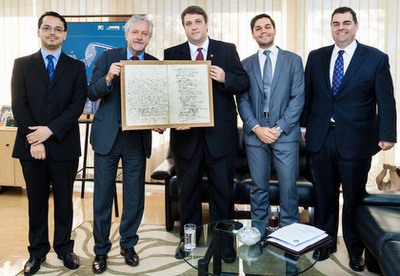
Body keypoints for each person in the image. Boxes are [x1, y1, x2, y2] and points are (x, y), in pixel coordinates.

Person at [300, 6, 396, 272]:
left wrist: (387, 134)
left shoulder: (375, 58)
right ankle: (325, 243)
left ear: (356, 25)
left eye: (346, 23)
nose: (340, 27)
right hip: (321, 137)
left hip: (357, 139)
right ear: (330, 27)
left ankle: (356, 251)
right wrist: (303, 127)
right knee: (324, 195)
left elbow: (386, 100)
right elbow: (309, 96)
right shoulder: (316, 57)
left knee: (353, 198)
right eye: (335, 23)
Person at [164, 5, 249, 260]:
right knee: (187, 193)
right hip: (185, 137)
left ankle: (224, 245)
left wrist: (225, 77)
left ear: (206, 24)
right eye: (188, 23)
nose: (194, 27)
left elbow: (243, 82)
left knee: (222, 194)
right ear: (184, 27)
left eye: (198, 22)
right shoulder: (173, 53)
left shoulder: (226, 49)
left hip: (220, 138)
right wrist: (170, 120)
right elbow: (166, 93)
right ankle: (189, 243)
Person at [11, 11, 87, 276]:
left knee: (64, 201)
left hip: (64, 145)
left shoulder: (77, 68)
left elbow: (76, 106)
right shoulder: (21, 64)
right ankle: (37, 252)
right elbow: (19, 106)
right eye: (47, 28)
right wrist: (35, 138)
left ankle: (65, 248)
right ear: (39, 31)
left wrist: (49, 131)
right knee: (36, 201)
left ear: (65, 34)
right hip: (30, 146)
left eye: (58, 29)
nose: (52, 32)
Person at [88, 15, 157, 274]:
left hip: (136, 141)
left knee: (134, 197)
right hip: (107, 138)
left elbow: (156, 104)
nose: (139, 37)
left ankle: (128, 245)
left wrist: (159, 121)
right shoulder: (108, 58)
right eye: (135, 32)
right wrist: (107, 78)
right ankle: (101, 251)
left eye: (145, 33)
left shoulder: (154, 64)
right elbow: (91, 91)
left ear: (149, 38)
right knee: (102, 198)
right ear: (126, 35)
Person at [237, 13, 305, 238]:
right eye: (258, 28)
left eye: (267, 27)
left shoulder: (293, 60)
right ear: (253, 34)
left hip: (284, 135)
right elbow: (243, 100)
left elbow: (298, 99)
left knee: (288, 189)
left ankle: (288, 238)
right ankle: (258, 236)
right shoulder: (245, 64)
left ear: (274, 30)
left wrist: (278, 128)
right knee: (258, 190)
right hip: (256, 135)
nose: (263, 31)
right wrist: (256, 128)